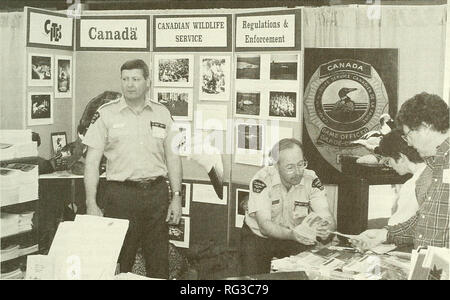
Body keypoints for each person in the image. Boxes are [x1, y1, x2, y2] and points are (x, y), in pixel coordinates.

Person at [83, 59, 183, 279]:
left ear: (148, 82)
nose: (130, 84)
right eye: (125, 79)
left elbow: (173, 157)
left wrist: (176, 196)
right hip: (120, 197)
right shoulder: (106, 114)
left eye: (136, 79)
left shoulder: (162, 113)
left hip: (156, 195)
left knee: (158, 261)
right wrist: (91, 202)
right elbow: (91, 162)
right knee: (120, 260)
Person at [351, 92, 449, 250]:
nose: (409, 144)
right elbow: (428, 219)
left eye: (408, 135)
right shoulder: (435, 162)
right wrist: (385, 235)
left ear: (425, 127)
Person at [240, 138, 336, 276]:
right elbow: (265, 226)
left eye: (301, 164)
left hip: (294, 235)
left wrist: (328, 228)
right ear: (276, 166)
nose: (298, 172)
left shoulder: (311, 179)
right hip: (259, 237)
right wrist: (293, 235)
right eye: (290, 167)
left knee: (305, 274)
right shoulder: (261, 180)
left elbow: (326, 215)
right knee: (254, 281)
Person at [375, 128, 429, 225]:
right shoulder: (430, 171)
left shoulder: (412, 185)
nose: (390, 165)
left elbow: (396, 225)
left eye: (388, 161)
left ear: (401, 157)